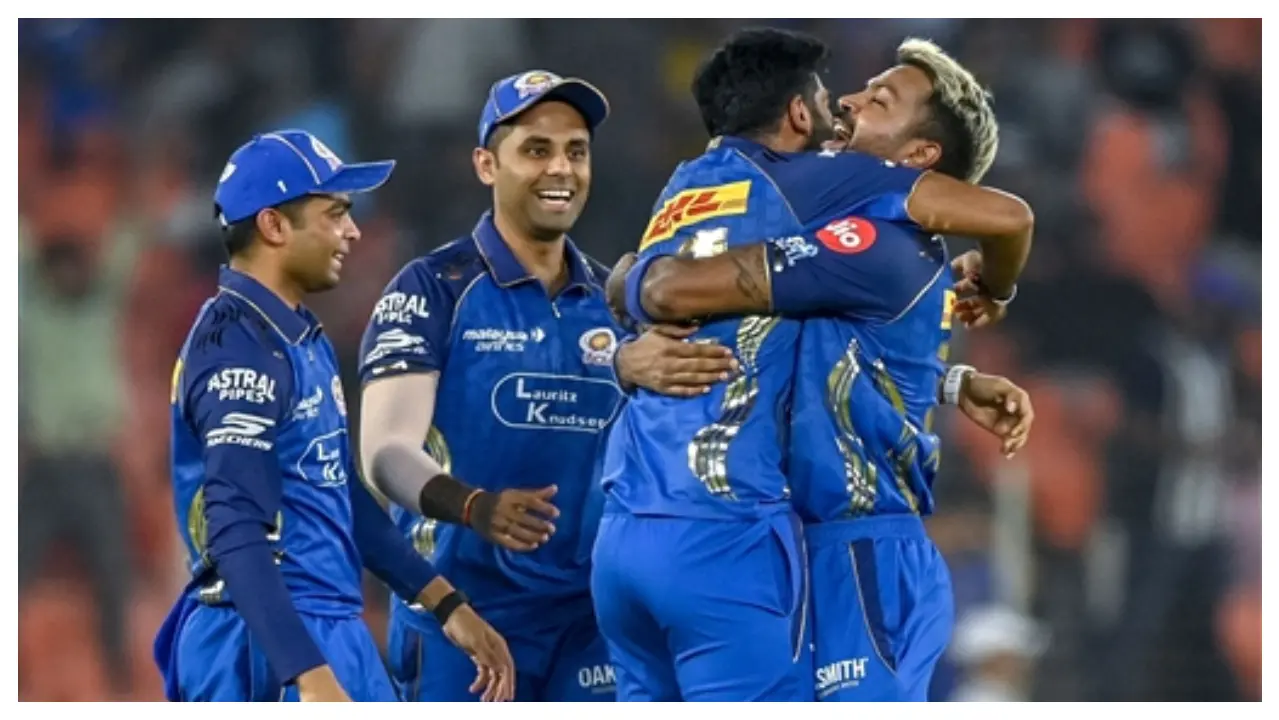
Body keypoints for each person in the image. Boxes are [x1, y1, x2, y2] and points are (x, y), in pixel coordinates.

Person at [596, 28, 1034, 702]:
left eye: (879, 101)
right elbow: (820, 346)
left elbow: (674, 288)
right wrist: (953, 380)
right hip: (802, 538)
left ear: (918, 159)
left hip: (863, 549)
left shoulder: (876, 242)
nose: (849, 102)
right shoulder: (821, 227)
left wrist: (631, 282)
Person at [356, 71, 735, 702]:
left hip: (589, 623)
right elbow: (384, 453)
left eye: (576, 152)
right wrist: (475, 506)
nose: (561, 168)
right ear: (486, 165)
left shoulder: (620, 303)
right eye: (536, 150)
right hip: (461, 615)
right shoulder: (433, 289)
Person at [152, 129, 515, 702]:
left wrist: (444, 601)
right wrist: (308, 674)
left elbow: (338, 489)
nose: (353, 231)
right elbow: (235, 529)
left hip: (325, 628)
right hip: (264, 643)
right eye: (336, 213)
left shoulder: (295, 335)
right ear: (274, 226)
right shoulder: (237, 349)